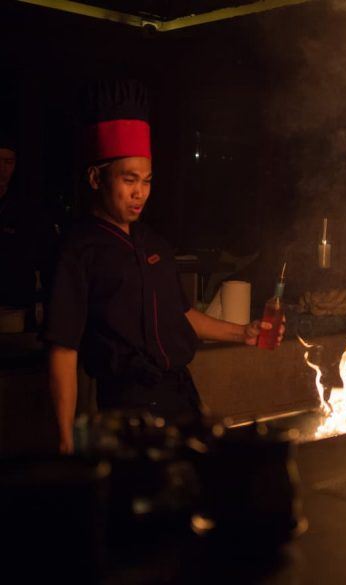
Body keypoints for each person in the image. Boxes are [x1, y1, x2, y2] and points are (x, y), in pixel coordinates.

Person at [45, 81, 283, 454]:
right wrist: (64, 439)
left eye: (147, 181)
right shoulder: (78, 250)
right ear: (96, 178)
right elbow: (63, 350)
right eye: (128, 180)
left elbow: (182, 314)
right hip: (126, 403)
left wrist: (244, 334)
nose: (140, 193)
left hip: (179, 394)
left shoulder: (153, 243)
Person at [0, 129, 57, 313]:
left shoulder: (27, 208)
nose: (2, 168)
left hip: (17, 305)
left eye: (8, 162)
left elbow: (46, 257)